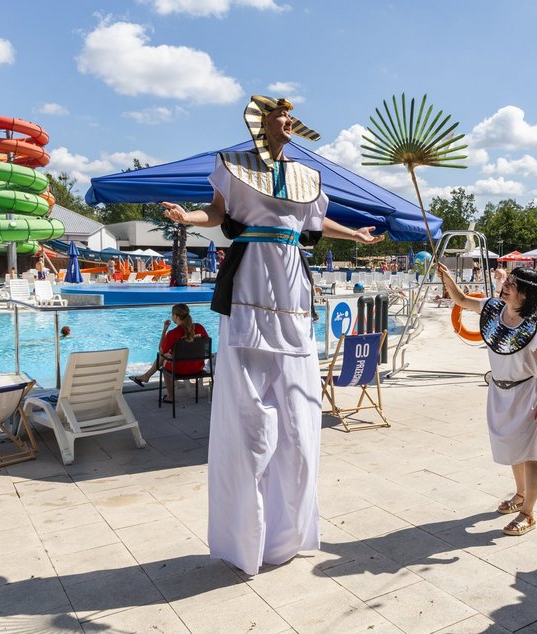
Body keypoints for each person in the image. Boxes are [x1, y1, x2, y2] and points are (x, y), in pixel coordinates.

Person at [162, 95, 384, 575]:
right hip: (249, 286)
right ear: (260, 122)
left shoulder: (307, 174)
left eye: (290, 114)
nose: (288, 119)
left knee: (299, 428)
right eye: (278, 113)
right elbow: (218, 213)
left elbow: (312, 221)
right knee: (247, 425)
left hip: (293, 292)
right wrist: (187, 218)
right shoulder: (232, 164)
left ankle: (289, 536)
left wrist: (357, 237)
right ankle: (242, 539)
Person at [437, 263, 537, 537]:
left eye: (512, 284)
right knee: (513, 447)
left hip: (527, 395)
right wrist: (449, 279)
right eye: (507, 281)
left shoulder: (535, 326)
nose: (505, 286)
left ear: (525, 294)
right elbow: (463, 301)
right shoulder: (493, 308)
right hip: (499, 392)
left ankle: (529, 513)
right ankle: (520, 494)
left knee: (530, 454)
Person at [130, 303, 209, 402]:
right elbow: (206, 345)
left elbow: (161, 351)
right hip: (198, 368)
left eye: (172, 314)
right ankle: (146, 376)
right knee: (166, 356)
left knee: (163, 359)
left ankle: (170, 397)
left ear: (176, 316)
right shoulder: (199, 327)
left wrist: (164, 330)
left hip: (179, 370)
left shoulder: (173, 333)